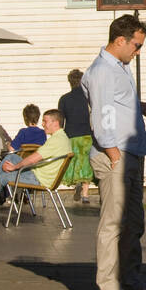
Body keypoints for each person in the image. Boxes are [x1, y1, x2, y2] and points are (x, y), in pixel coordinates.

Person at [83, 15, 146, 290]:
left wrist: (139, 107)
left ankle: (131, 280)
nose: (138, 52)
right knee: (113, 224)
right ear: (120, 41)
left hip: (132, 152)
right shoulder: (103, 70)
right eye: (136, 46)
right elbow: (101, 116)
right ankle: (108, 288)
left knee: (133, 224)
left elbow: (115, 105)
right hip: (115, 154)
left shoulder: (117, 67)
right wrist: (114, 156)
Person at [0, 109, 70, 205]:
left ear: (55, 123)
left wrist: (14, 167)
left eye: (45, 121)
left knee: (1, 176)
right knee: (11, 158)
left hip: (39, 179)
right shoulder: (62, 137)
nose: (43, 124)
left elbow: (33, 159)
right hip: (41, 175)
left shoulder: (56, 140)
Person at [58, 69, 94, 204]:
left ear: (70, 82)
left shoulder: (64, 99)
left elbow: (61, 120)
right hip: (86, 134)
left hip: (71, 134)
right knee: (86, 162)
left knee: (74, 161)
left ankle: (76, 183)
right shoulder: (88, 98)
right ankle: (85, 193)